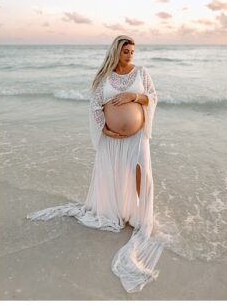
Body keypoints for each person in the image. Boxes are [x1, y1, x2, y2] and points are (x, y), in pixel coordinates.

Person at [28, 35, 163, 292]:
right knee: (115, 175)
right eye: (126, 51)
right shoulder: (104, 77)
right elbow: (94, 106)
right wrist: (105, 131)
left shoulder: (142, 72)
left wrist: (133, 97)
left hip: (136, 137)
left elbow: (152, 98)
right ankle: (119, 211)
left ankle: (142, 216)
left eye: (133, 51)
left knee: (142, 172)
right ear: (116, 51)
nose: (130, 55)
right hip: (113, 139)